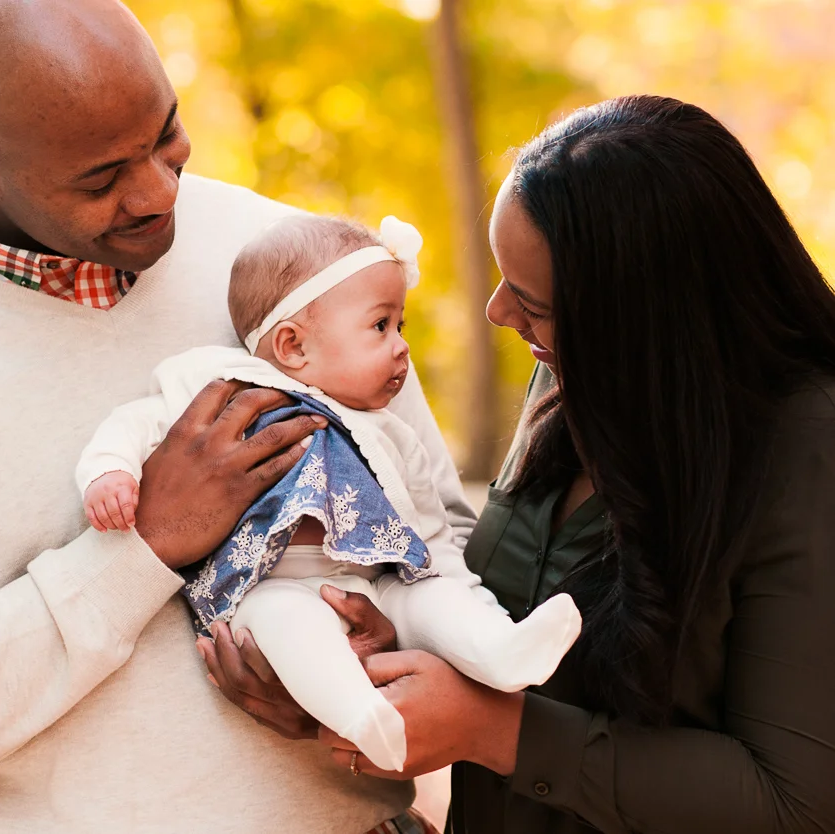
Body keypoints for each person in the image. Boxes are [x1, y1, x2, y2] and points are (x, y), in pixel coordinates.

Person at [0, 0, 463, 831]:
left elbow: (442, 528)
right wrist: (142, 549)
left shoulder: (287, 255)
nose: (160, 192)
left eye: (167, 135)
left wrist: (384, 648)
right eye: (100, 177)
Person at [204, 94, 835, 833]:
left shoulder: (807, 450)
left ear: (643, 317)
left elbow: (796, 802)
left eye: (533, 300)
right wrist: (377, 649)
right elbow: (522, 621)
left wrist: (494, 732)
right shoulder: (572, 386)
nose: (498, 312)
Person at [77, 213, 581, 773]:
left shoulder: (389, 432)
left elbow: (431, 531)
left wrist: (447, 584)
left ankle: (502, 650)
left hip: (375, 582)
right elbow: (141, 422)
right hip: (268, 584)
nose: (401, 349)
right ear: (292, 345)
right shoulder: (224, 388)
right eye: (380, 326)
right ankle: (360, 714)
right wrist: (110, 472)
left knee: (435, 600)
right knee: (288, 627)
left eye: (402, 327)